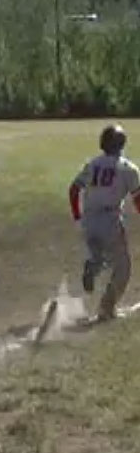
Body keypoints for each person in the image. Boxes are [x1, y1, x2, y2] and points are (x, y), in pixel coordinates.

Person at [69, 124, 140, 320]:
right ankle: (106, 308)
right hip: (110, 220)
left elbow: (74, 190)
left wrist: (77, 216)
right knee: (122, 268)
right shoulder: (128, 169)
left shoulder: (92, 164)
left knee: (102, 257)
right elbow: (138, 199)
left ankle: (93, 265)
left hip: (89, 219)